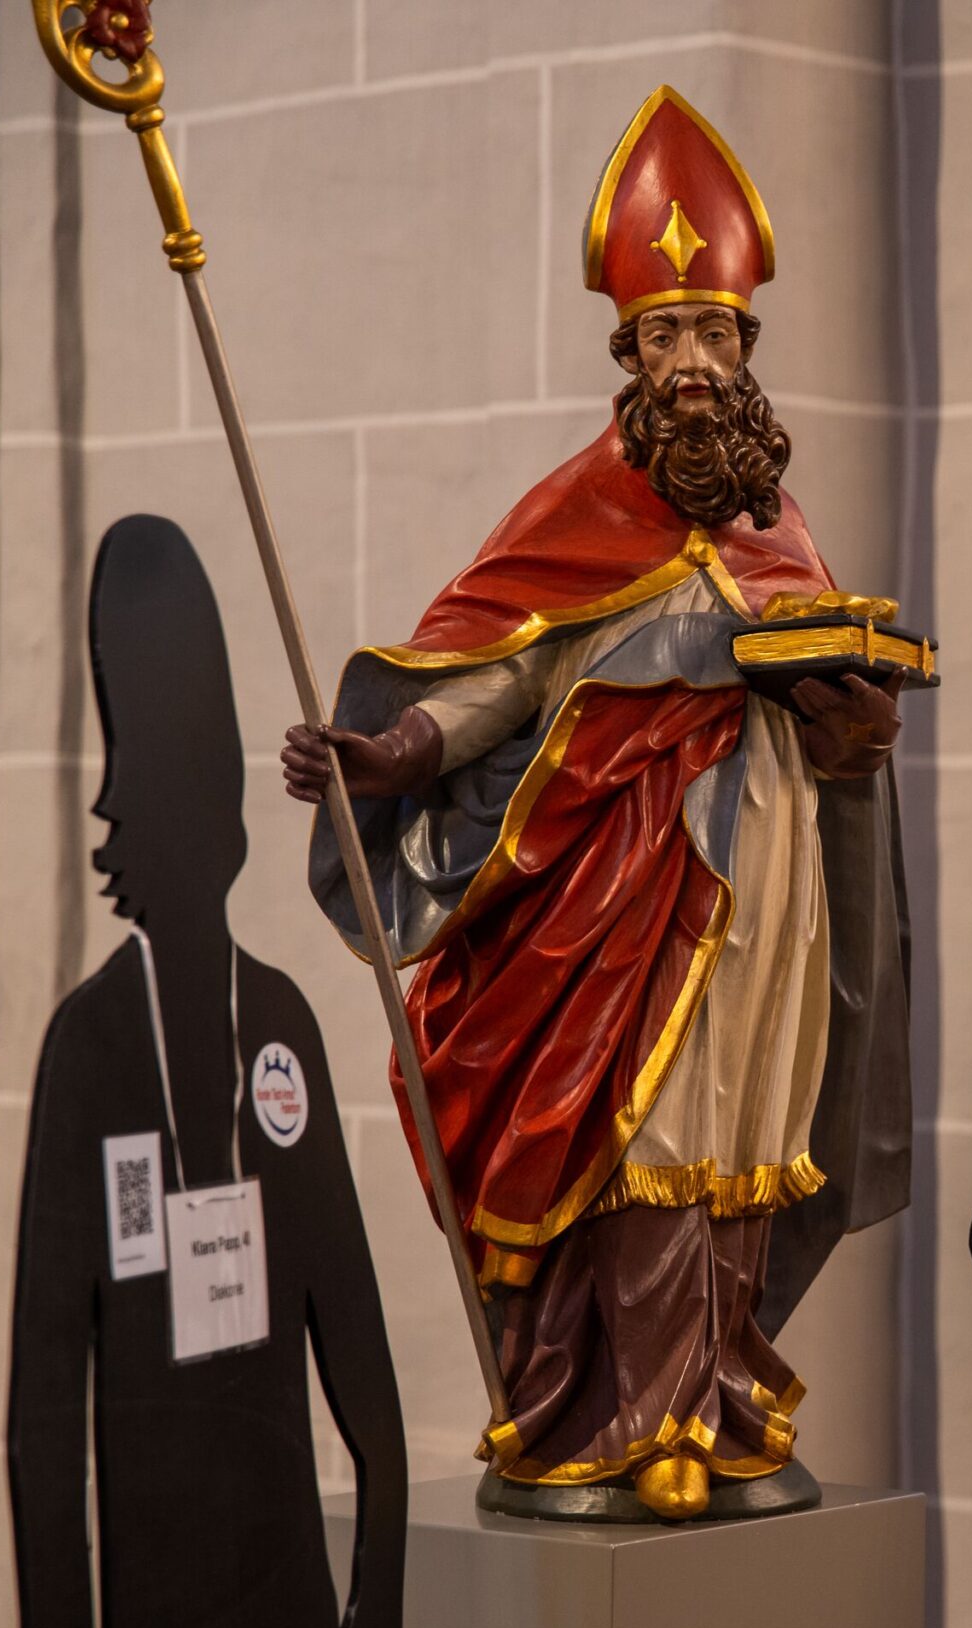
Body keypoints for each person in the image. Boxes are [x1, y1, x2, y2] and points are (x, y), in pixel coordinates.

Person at [284, 85, 912, 1521]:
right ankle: (621, 1413)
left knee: (744, 1125)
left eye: (714, 335)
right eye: (665, 337)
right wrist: (395, 754)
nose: (693, 362)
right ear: (626, 356)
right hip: (613, 877)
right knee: (639, 1133)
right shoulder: (578, 510)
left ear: (748, 351)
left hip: (766, 874)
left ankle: (717, 1393)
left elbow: (835, 726)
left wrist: (853, 727)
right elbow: (499, 678)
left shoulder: (779, 530)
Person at [9, 515, 405, 1628]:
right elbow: (43, 1421)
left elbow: (365, 1370)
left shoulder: (277, 1025)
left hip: (286, 1608)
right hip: (154, 1624)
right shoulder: (92, 1048)